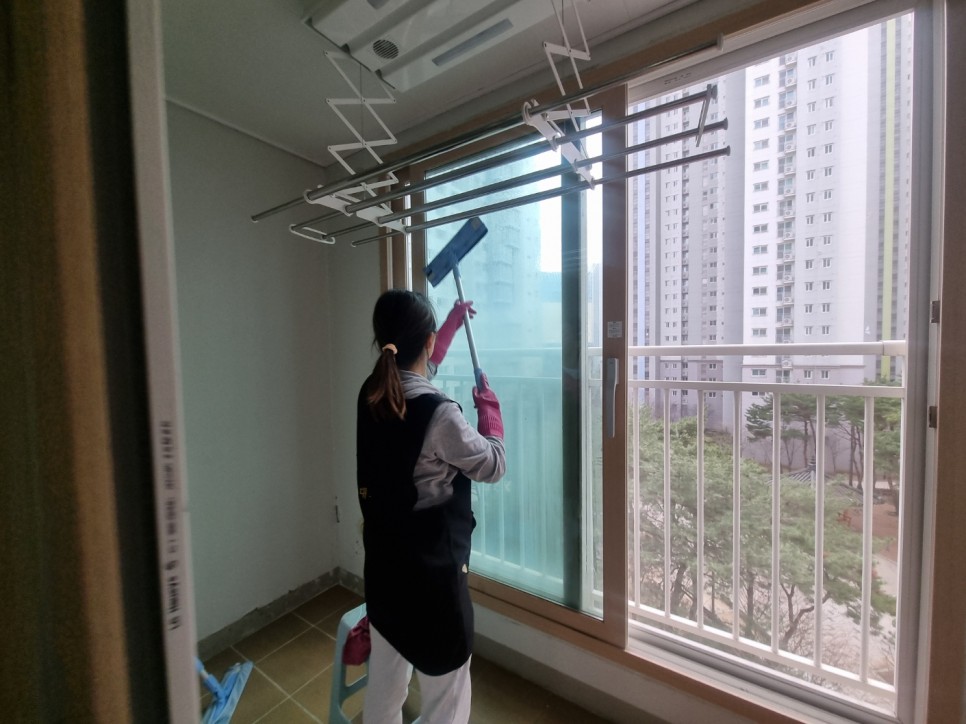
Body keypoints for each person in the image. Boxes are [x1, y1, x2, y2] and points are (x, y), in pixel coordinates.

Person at [356, 289, 506, 724]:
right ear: (426, 340)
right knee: (446, 701)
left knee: (385, 687)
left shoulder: (373, 391)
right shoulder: (440, 414)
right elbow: (493, 465)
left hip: (385, 573)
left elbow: (421, 368)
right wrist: (491, 415)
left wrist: (451, 324)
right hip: (431, 587)